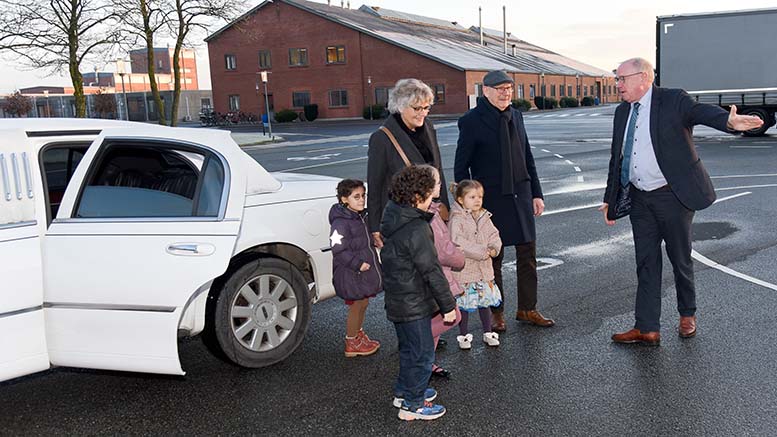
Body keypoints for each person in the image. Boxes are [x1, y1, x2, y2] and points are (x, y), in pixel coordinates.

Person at [601, 57, 764, 345]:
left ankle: (687, 313)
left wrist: (729, 120)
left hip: (673, 196)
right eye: (617, 79)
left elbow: (700, 112)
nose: (617, 84)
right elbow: (619, 156)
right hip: (640, 199)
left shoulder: (673, 100)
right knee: (646, 262)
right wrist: (610, 197)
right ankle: (647, 327)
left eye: (622, 79)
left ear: (644, 78)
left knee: (680, 257)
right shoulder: (621, 113)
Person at [454, 69, 554, 332]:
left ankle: (527, 308)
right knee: (492, 259)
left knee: (527, 254)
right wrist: (468, 204)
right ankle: (497, 311)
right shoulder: (471, 121)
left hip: (520, 194)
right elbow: (461, 167)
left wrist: (536, 193)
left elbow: (527, 156)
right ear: (485, 91)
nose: (506, 93)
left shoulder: (516, 116)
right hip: (490, 200)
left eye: (509, 89)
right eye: (500, 89)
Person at [381, 165, 457, 421]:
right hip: (414, 303)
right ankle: (413, 404)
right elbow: (432, 271)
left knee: (409, 350)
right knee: (423, 353)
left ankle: (404, 392)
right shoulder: (416, 229)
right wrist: (447, 307)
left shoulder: (395, 216)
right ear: (418, 195)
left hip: (399, 301)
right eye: (433, 186)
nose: (438, 189)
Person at [368, 78, 450, 250]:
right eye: (417, 108)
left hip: (431, 215)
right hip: (402, 220)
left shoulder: (428, 126)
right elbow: (375, 184)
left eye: (426, 108)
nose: (423, 113)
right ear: (400, 106)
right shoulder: (382, 138)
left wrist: (445, 207)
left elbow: (438, 170)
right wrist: (375, 226)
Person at [329, 179, 383, 357]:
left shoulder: (359, 216)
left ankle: (358, 334)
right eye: (356, 196)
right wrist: (357, 264)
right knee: (356, 305)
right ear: (344, 199)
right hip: (351, 273)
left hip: (361, 272)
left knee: (363, 302)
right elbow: (338, 249)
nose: (362, 200)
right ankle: (351, 341)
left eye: (363, 195)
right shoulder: (341, 222)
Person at [448, 179, 503, 349]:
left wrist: (494, 248)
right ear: (460, 200)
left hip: (484, 271)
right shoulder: (457, 219)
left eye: (480, 196)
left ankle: (487, 332)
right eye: (472, 197)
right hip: (465, 271)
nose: (477, 200)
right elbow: (457, 241)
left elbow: (494, 235)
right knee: (464, 305)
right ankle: (463, 335)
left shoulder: (484, 216)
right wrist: (481, 252)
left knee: (484, 302)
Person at [421, 165, 464, 379]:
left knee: (437, 315)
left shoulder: (431, 211)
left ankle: (428, 362)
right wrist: (459, 257)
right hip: (438, 276)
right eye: (438, 182)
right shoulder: (430, 217)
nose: (441, 185)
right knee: (451, 316)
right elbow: (442, 250)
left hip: (434, 275)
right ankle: (417, 349)